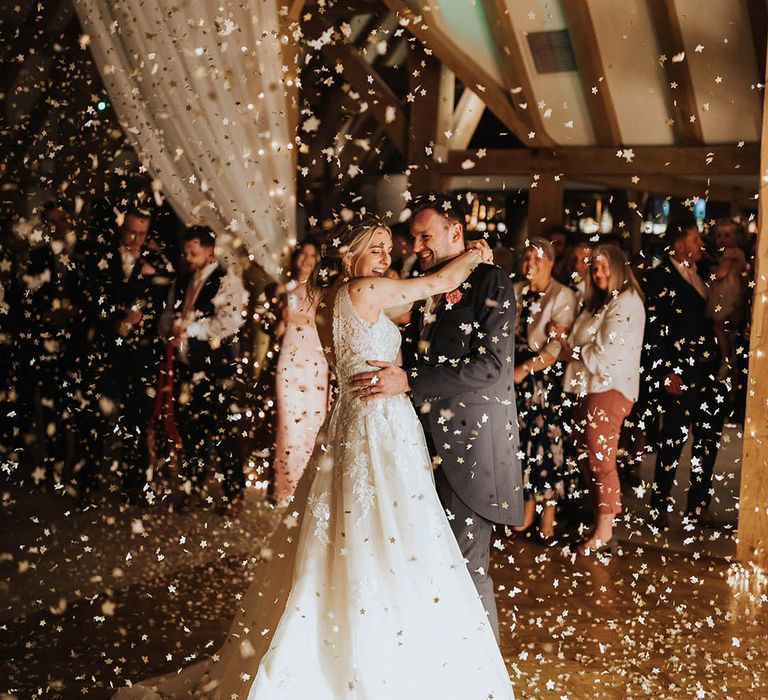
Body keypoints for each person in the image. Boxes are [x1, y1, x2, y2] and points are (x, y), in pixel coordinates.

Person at [114, 215, 514, 699]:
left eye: (390, 247)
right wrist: (476, 252)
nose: (389, 256)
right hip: (379, 426)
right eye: (378, 248)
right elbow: (441, 282)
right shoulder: (368, 291)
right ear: (352, 256)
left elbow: (415, 311)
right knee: (389, 532)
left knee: (347, 533)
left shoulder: (328, 301)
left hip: (349, 422)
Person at [349, 192, 523, 642]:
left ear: (456, 232)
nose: (418, 246)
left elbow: (492, 367)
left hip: (469, 443)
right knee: (424, 559)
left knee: (466, 566)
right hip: (417, 444)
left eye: (426, 236)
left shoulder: (491, 281)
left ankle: (483, 674)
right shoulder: (425, 284)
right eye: (414, 238)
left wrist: (410, 380)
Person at [560, 244, 645, 554]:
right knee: (586, 457)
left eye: (605, 267)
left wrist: (572, 353)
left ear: (621, 268)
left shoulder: (627, 304)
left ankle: (605, 531)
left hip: (610, 390)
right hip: (588, 388)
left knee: (600, 459)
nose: (598, 273)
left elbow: (603, 357)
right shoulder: (598, 304)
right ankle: (598, 519)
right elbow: (576, 342)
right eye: (594, 268)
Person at [646, 211, 725, 527]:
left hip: (710, 370)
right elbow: (655, 329)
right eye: (694, 238)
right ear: (678, 244)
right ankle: (659, 505)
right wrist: (665, 370)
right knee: (672, 441)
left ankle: (698, 504)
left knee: (708, 441)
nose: (701, 243)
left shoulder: (706, 271)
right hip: (679, 370)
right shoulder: (660, 277)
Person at [95, 207, 174, 504]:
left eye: (142, 233)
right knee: (98, 416)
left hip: (141, 355)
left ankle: (135, 483)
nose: (137, 239)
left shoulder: (155, 262)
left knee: (137, 419)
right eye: (131, 231)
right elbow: (93, 297)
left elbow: (166, 303)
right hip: (106, 351)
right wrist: (115, 320)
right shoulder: (104, 258)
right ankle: (89, 481)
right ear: (121, 227)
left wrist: (144, 318)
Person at [172, 226, 248, 514]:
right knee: (191, 433)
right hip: (186, 368)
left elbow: (228, 323)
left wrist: (189, 329)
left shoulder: (227, 281)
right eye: (186, 252)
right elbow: (174, 310)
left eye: (193, 252)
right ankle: (194, 488)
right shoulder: (183, 279)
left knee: (225, 432)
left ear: (208, 251)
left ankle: (234, 494)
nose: (188, 257)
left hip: (217, 370)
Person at [511, 238, 577, 539]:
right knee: (520, 443)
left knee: (548, 446)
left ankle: (548, 511)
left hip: (543, 377)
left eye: (537, 258)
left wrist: (525, 369)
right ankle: (526, 506)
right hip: (513, 377)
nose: (530, 264)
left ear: (550, 262)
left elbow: (555, 345)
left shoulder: (562, 295)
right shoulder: (515, 291)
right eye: (526, 257)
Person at [272, 240, 329, 502]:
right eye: (303, 253)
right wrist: (282, 318)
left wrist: (301, 318)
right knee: (288, 422)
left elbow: (325, 322)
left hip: (316, 361)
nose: (307, 258)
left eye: (312, 254)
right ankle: (287, 486)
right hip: (289, 360)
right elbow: (277, 331)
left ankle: (310, 486)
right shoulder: (285, 289)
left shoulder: (324, 291)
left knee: (314, 421)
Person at [706, 219, 747, 380]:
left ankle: (725, 359)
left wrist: (710, 279)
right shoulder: (737, 253)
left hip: (727, 293)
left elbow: (722, 273)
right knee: (726, 327)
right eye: (719, 235)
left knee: (718, 326)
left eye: (727, 235)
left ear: (736, 237)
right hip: (730, 292)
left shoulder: (731, 252)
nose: (723, 239)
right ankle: (730, 356)